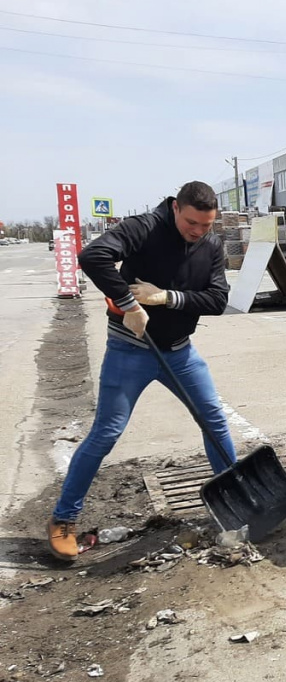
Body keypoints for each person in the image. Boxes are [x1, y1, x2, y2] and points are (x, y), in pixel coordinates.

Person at [47, 181, 237, 562]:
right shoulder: (144, 228)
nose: (198, 232)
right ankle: (63, 520)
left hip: (180, 353)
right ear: (175, 208)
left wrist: (166, 297)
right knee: (106, 433)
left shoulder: (211, 246)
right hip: (130, 350)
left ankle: (235, 501)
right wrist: (129, 304)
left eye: (206, 225)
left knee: (214, 420)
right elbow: (94, 256)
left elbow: (218, 299)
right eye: (191, 223)